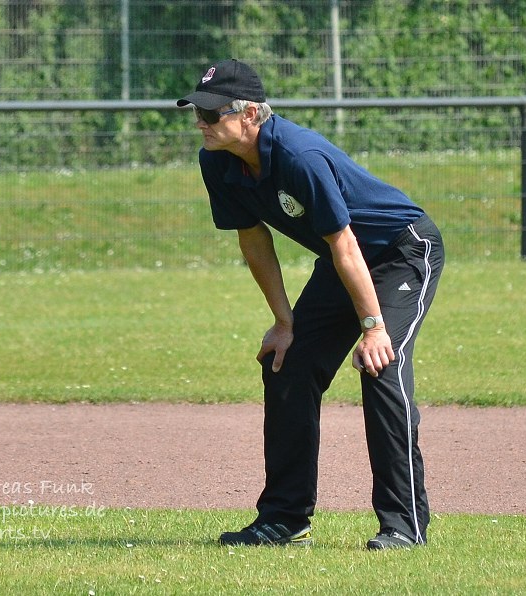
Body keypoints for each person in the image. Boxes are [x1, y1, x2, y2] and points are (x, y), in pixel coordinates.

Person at [177, 59, 445, 550]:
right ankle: (284, 518)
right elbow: (254, 242)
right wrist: (284, 322)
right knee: (287, 364)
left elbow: (346, 244)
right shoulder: (216, 160)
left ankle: (404, 525)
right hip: (344, 260)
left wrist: (373, 327)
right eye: (198, 112)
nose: (202, 122)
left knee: (380, 366)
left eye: (213, 114)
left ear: (251, 113)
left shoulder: (298, 155)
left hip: (400, 251)